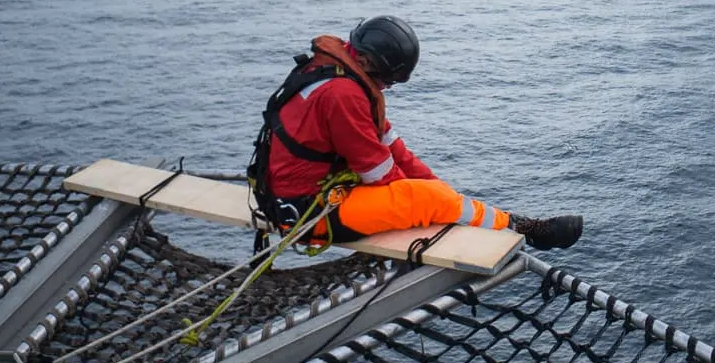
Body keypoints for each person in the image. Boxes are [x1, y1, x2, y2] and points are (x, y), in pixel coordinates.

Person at [247, 15, 583, 251]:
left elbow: (394, 149)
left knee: (433, 194)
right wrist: (433, 200)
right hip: (307, 213)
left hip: (304, 193)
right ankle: (524, 229)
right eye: (388, 81)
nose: (386, 87)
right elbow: (379, 174)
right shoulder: (343, 94)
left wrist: (438, 190)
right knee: (428, 199)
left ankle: (489, 216)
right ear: (368, 63)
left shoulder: (338, 74)